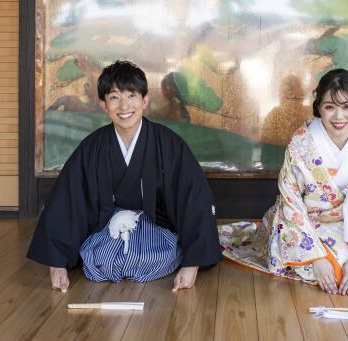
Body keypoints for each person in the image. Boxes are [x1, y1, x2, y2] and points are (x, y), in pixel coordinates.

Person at [27, 60, 221, 292]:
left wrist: (192, 264)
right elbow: (69, 199)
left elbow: (193, 199)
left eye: (131, 96)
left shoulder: (168, 145)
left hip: (154, 227)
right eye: (114, 97)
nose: (124, 106)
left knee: (152, 259)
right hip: (109, 228)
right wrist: (56, 263)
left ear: (144, 100)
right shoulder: (93, 147)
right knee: (99, 263)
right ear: (103, 104)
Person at [223, 68, 348, 295]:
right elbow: (291, 199)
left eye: (347, 107)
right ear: (318, 108)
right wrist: (315, 258)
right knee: (330, 270)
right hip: (309, 220)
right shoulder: (301, 144)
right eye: (329, 107)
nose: (338, 116)